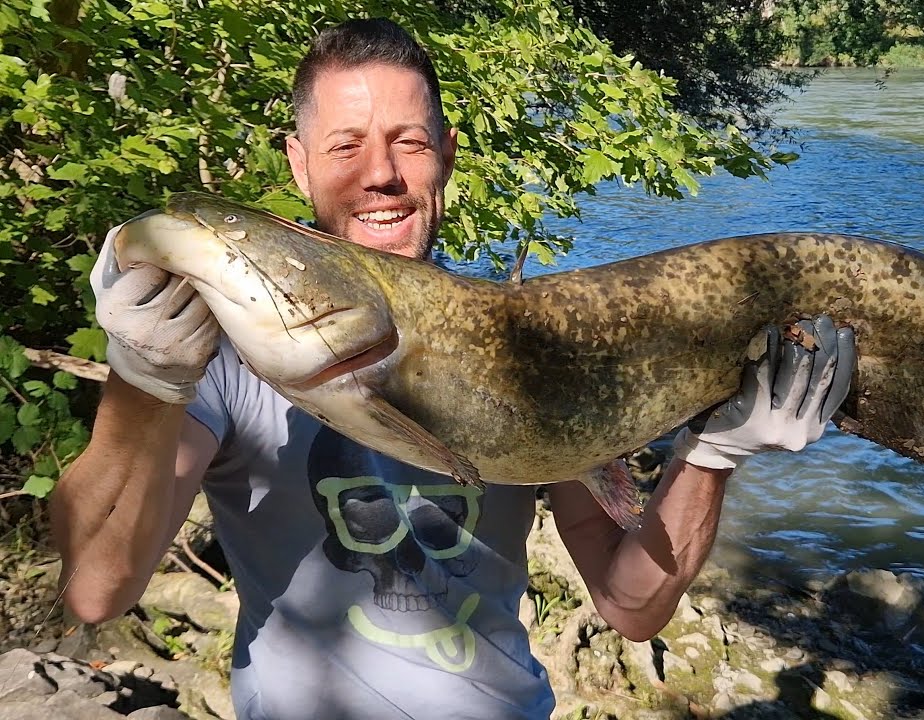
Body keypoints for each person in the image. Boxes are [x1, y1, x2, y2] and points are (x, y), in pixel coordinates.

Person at [51, 18, 855, 720]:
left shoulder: (518, 333)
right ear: (298, 166)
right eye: (345, 147)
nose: (380, 175)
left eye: (407, 141)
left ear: (445, 153)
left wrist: (711, 453)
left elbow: (629, 607)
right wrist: (145, 381)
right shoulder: (223, 351)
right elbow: (97, 590)